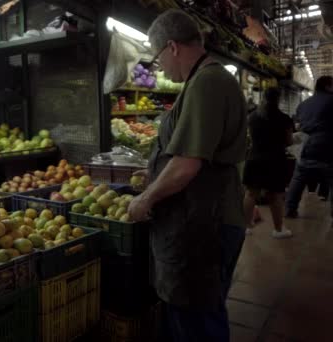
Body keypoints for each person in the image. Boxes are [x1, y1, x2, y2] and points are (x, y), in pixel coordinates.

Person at [127, 9, 247, 342]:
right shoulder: (207, 78)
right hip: (204, 218)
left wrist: (145, 199)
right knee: (194, 314)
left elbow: (188, 164)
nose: (160, 67)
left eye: (157, 58)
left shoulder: (207, 82)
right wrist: (153, 171)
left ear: (172, 47)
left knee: (197, 320)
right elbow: (195, 155)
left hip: (204, 225)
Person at [243, 88, 294, 238]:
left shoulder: (252, 117)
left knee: (251, 194)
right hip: (276, 160)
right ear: (279, 99)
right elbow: (289, 141)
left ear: (263, 98)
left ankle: (246, 227)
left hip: (254, 158)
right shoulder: (284, 118)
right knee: (275, 195)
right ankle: (279, 230)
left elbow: (250, 138)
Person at [285, 76, 333, 220]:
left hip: (306, 147)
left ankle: (290, 210)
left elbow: (298, 124)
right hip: (328, 148)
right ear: (327, 86)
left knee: (299, 178)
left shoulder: (304, 104)